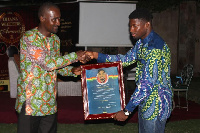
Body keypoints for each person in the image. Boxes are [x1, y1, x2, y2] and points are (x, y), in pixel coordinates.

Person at [84, 9, 173, 133]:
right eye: (130, 26)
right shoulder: (142, 43)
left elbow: (146, 84)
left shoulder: (155, 48)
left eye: (134, 26)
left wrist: (127, 111)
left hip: (156, 105)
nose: (131, 30)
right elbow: (125, 59)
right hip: (145, 102)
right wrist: (96, 55)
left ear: (147, 24)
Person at [15, 2, 88, 133]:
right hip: (32, 101)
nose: (58, 23)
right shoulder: (29, 37)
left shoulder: (55, 40)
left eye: (59, 18)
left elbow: (56, 65)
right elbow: (47, 64)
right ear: (42, 18)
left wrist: (71, 71)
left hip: (50, 102)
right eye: (54, 19)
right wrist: (75, 56)